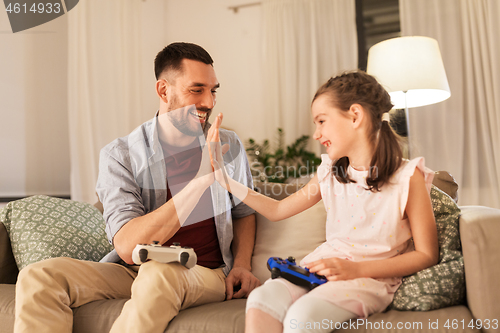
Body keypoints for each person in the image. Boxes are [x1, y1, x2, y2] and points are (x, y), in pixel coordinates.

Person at [14, 42, 260, 333]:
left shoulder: (227, 146)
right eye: (197, 90)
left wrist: (242, 264)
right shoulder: (122, 155)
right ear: (163, 90)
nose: (209, 101)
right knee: (38, 275)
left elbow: (244, 212)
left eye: (213, 90)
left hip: (205, 273)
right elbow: (130, 248)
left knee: (160, 273)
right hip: (132, 270)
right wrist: (200, 180)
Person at [207, 71, 439, 333]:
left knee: (302, 317)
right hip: (320, 268)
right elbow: (278, 209)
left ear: (355, 115)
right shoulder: (330, 171)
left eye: (321, 121)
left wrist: (355, 269)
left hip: (368, 279)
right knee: (262, 298)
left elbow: (427, 254)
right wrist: (225, 179)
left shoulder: (408, 177)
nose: (317, 134)